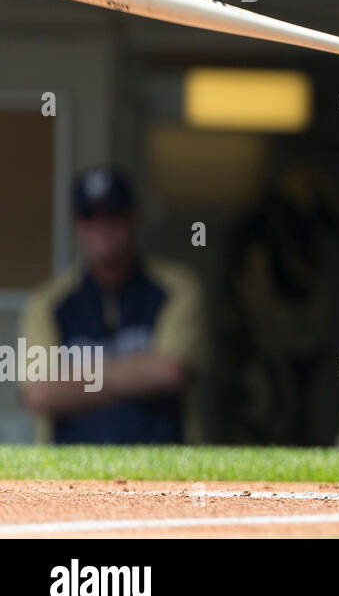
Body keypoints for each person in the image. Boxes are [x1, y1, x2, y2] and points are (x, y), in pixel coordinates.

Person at [18, 167, 204, 443]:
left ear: (133, 217)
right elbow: (39, 393)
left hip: (164, 468)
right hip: (69, 473)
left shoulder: (176, 288)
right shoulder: (48, 302)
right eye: (90, 216)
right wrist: (140, 373)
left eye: (113, 213)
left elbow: (170, 371)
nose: (101, 226)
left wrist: (75, 381)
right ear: (76, 225)